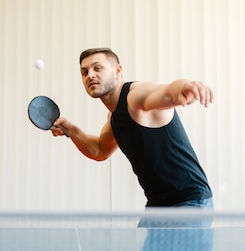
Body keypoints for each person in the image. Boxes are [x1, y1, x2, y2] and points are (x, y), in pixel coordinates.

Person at [50, 48, 214, 221]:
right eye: (84, 72)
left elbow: (165, 91)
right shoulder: (114, 117)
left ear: (117, 71)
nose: (90, 75)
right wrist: (71, 130)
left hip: (190, 201)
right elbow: (99, 150)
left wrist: (184, 87)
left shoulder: (135, 96)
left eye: (97, 68)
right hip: (157, 205)